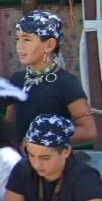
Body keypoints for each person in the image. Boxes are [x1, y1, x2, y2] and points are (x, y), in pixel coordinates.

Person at [7, 10, 96, 146]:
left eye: (27, 39)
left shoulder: (66, 83)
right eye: (17, 39)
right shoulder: (17, 80)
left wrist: (41, 138)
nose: (19, 46)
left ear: (49, 45)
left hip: (54, 163)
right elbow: (9, 125)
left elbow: (88, 130)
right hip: (22, 163)